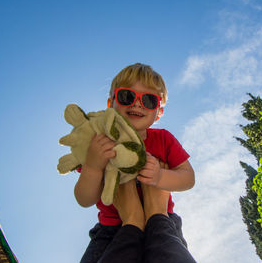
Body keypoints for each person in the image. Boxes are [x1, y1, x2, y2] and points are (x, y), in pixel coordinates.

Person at [75, 63, 195, 262]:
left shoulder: (163, 139)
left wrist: (160, 177)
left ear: (158, 113)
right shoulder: (99, 143)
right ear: (110, 103)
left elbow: (188, 178)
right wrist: (92, 167)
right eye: (127, 96)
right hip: (111, 229)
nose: (137, 104)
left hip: (164, 221)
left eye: (149, 100)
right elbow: (84, 199)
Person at [98, 179, 196, 263]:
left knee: (158, 227)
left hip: (112, 228)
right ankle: (156, 216)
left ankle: (133, 222)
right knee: (162, 228)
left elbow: (189, 180)